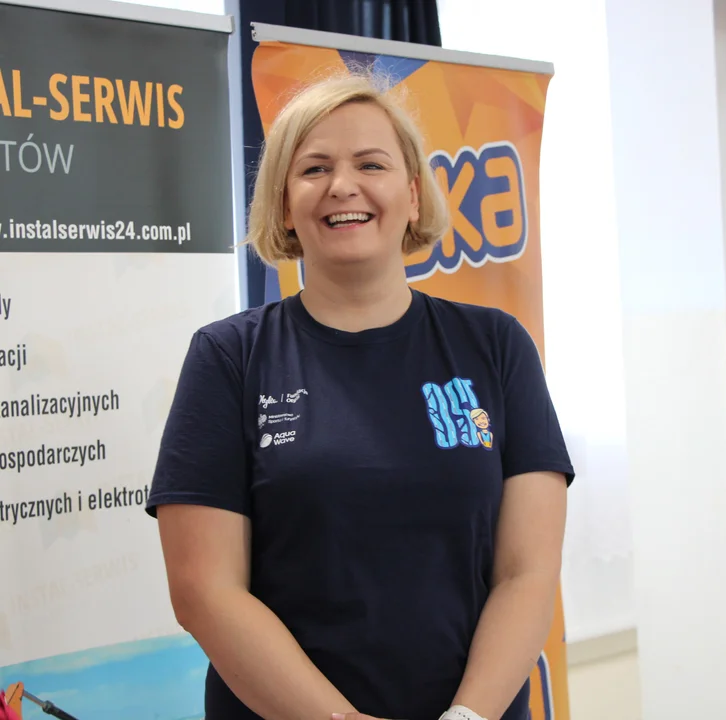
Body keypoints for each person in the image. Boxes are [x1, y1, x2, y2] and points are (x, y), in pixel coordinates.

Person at [146, 70, 575, 720]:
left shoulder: (495, 345)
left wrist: (467, 717)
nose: (342, 185)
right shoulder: (229, 358)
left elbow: (528, 572)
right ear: (283, 205)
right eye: (313, 168)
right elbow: (205, 592)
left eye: (370, 164)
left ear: (412, 194)